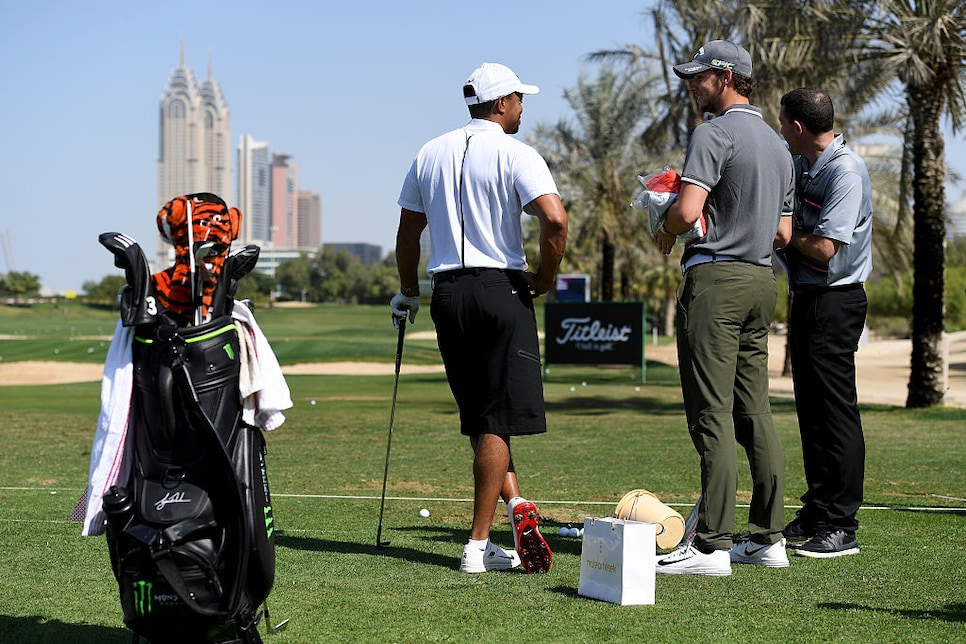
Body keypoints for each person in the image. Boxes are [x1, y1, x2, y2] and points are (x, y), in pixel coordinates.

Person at [390, 62, 568, 574]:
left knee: (480, 415)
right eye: (518, 99)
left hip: (448, 294)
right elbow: (554, 219)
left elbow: (407, 236)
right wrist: (546, 277)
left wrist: (407, 292)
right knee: (493, 418)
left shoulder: (429, 152)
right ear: (501, 104)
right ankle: (477, 545)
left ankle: (514, 506)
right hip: (501, 289)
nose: (521, 107)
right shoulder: (516, 152)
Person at [653, 40, 795, 576]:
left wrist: (664, 223)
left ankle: (710, 545)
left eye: (699, 77)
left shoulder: (711, 134)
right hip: (762, 281)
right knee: (753, 411)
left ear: (727, 76)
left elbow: (687, 210)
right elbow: (782, 232)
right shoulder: (780, 146)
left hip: (715, 282)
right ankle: (768, 538)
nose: (691, 85)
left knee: (711, 413)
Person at [776, 87, 873, 558]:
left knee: (835, 412)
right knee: (811, 411)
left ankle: (842, 524)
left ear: (796, 127)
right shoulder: (803, 165)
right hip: (807, 298)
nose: (779, 130)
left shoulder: (846, 171)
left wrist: (783, 233)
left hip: (837, 302)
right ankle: (817, 510)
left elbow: (824, 248)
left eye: (781, 123)